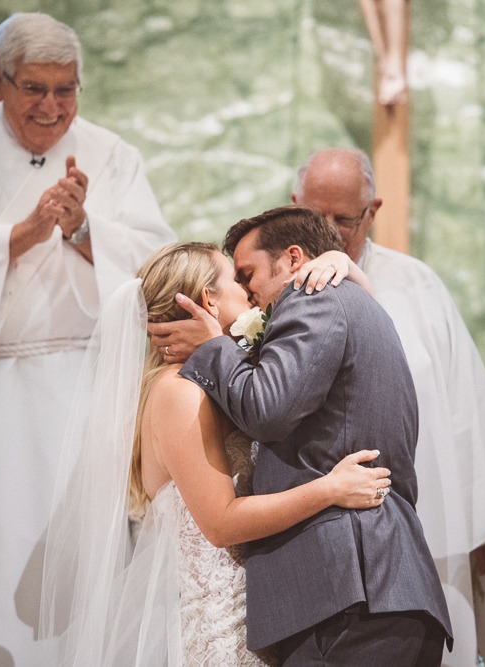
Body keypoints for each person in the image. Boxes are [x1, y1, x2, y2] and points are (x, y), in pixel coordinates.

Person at [0, 12, 175, 665]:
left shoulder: (114, 155)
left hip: (85, 389)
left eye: (67, 89)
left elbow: (154, 264)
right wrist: (20, 234)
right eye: (35, 89)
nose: (52, 108)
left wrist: (82, 229)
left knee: (86, 579)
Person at [40, 241, 392, 666]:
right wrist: (330, 489)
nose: (248, 293)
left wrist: (345, 267)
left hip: (262, 613)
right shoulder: (179, 391)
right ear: (209, 299)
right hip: (225, 626)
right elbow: (221, 523)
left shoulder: (218, 381)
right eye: (237, 282)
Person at [151, 207, 453, 665]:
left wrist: (214, 347)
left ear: (293, 259)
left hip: (348, 590)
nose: (249, 290)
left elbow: (268, 412)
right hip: (359, 589)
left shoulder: (313, 299)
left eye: (247, 273)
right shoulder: (346, 300)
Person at [291, 147, 485, 666]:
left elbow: (464, 407)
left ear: (373, 211)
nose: (331, 232)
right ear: (294, 204)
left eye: (345, 219)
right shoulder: (273, 288)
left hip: (427, 518)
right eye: (317, 217)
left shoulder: (418, 285)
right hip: (319, 528)